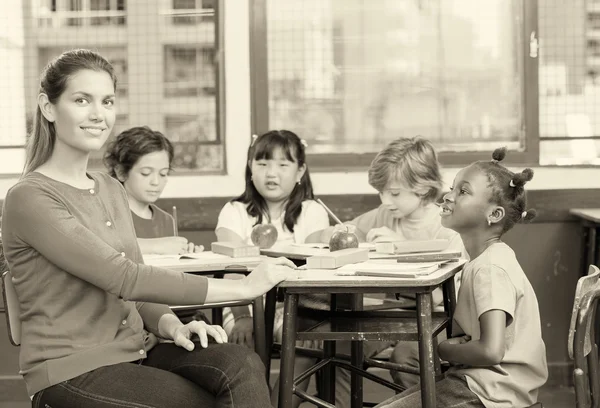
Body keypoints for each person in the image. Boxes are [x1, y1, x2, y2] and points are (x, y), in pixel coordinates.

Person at [1, 48, 297, 408]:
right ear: (48, 107)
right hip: (70, 369)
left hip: (136, 349)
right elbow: (126, 277)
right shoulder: (29, 197)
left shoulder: (110, 188)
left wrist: (174, 326)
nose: (98, 115)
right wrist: (248, 287)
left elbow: (136, 297)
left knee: (241, 364)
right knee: (202, 403)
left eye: (107, 101)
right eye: (82, 100)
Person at [376, 147, 548, 408]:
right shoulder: (486, 258)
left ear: (494, 214)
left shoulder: (490, 268)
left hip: (490, 391)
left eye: (463, 191)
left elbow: (491, 351)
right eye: (453, 188)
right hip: (481, 383)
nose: (448, 196)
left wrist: (443, 349)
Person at [322, 136, 465, 393]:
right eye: (381, 191)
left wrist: (401, 248)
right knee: (340, 352)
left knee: (406, 357)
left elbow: (443, 296)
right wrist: (339, 233)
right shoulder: (384, 214)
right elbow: (328, 234)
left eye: (394, 193)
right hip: (390, 317)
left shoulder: (446, 226)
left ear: (422, 188)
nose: (385, 200)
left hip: (438, 320)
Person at [215, 130, 330, 407]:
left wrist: (306, 315)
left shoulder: (312, 211)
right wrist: (243, 315)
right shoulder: (235, 211)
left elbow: (314, 271)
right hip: (244, 306)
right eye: (263, 163)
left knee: (307, 337)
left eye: (283, 164)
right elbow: (231, 267)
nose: (271, 173)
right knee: (244, 343)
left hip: (297, 309)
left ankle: (281, 402)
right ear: (250, 167)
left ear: (300, 170)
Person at [104, 125, 202, 255]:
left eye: (163, 174)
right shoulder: (107, 214)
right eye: (145, 173)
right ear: (121, 172)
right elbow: (100, 249)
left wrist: (186, 253)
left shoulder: (166, 220)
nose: (156, 182)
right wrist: (155, 246)